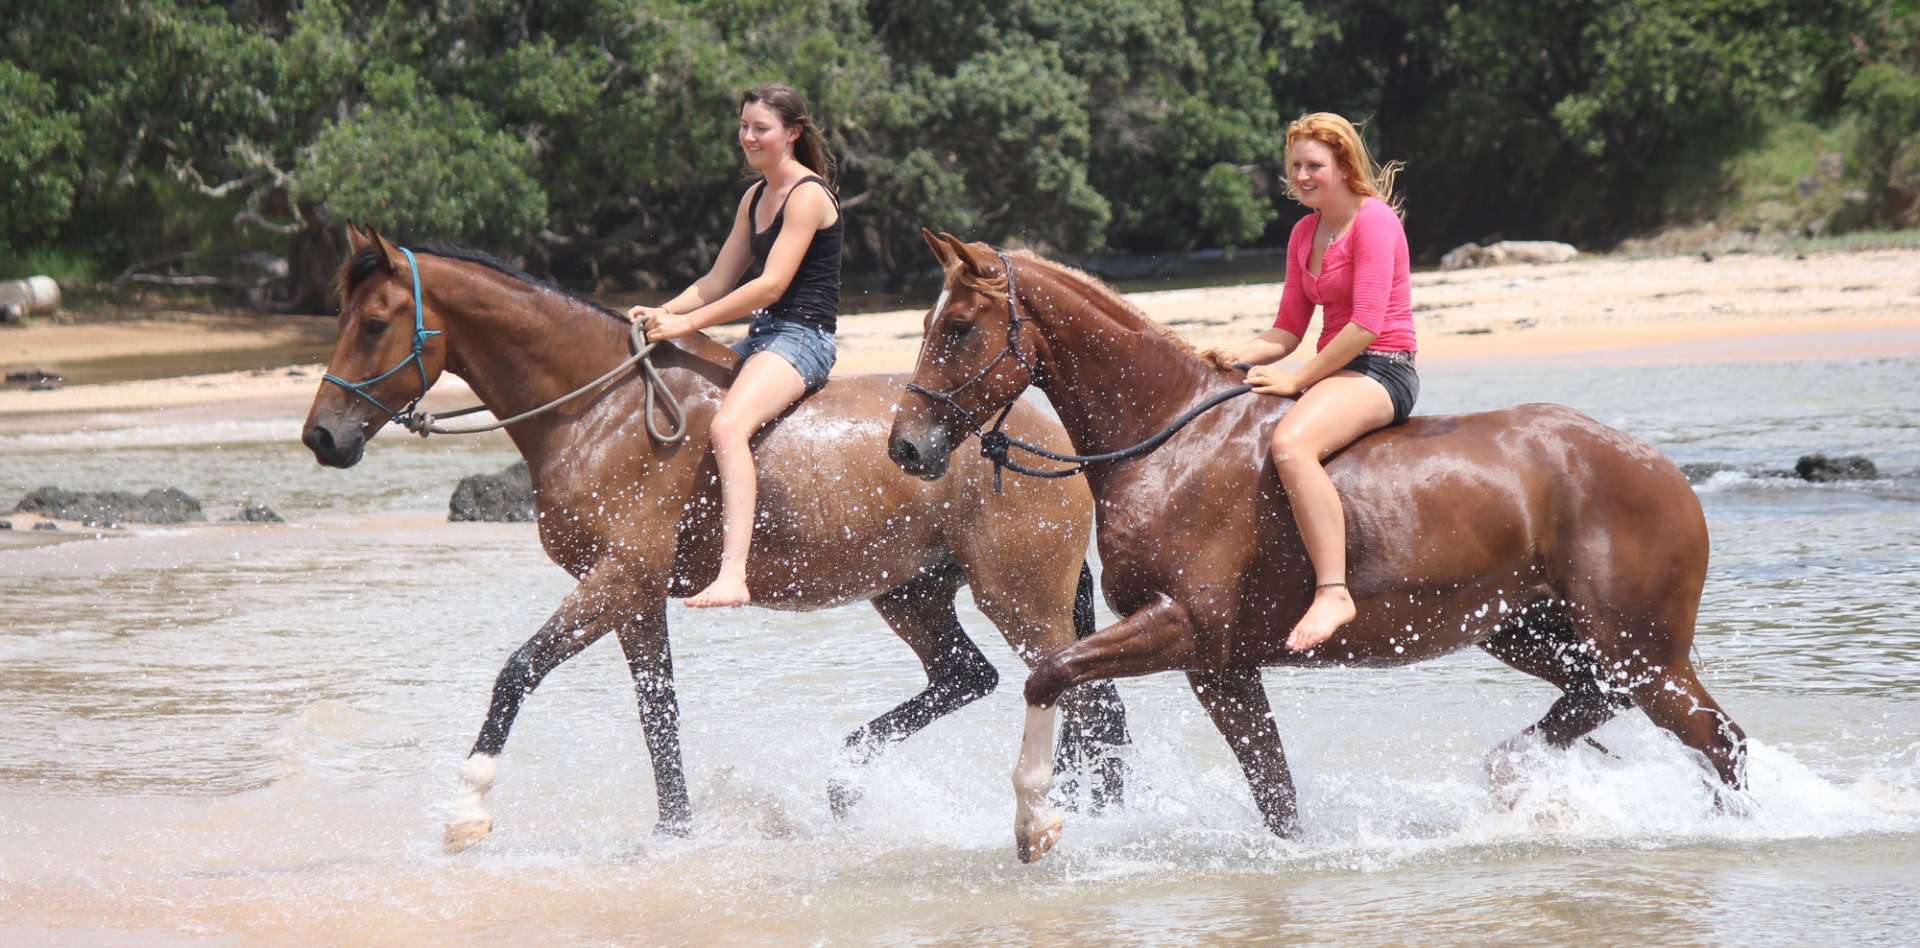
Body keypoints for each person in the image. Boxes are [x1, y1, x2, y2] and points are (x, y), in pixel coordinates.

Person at [627, 83, 843, 608]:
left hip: (804, 339)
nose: (748, 137)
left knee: (727, 426)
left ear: (791, 134)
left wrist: (690, 323)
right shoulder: (753, 198)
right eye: (744, 126)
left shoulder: (808, 195)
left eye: (760, 128)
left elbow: (769, 285)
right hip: (762, 337)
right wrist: (665, 312)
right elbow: (718, 279)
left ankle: (733, 575)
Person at [1232, 112, 1419, 652]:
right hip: (1331, 373)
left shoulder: (1375, 221)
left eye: (1314, 165)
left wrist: (1297, 382)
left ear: (1343, 165)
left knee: (1290, 445)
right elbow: (1287, 328)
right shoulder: (1304, 231)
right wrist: (1227, 355)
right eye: (1295, 166)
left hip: (1382, 367)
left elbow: (1365, 325)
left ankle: (1334, 591)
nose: (1303, 176)